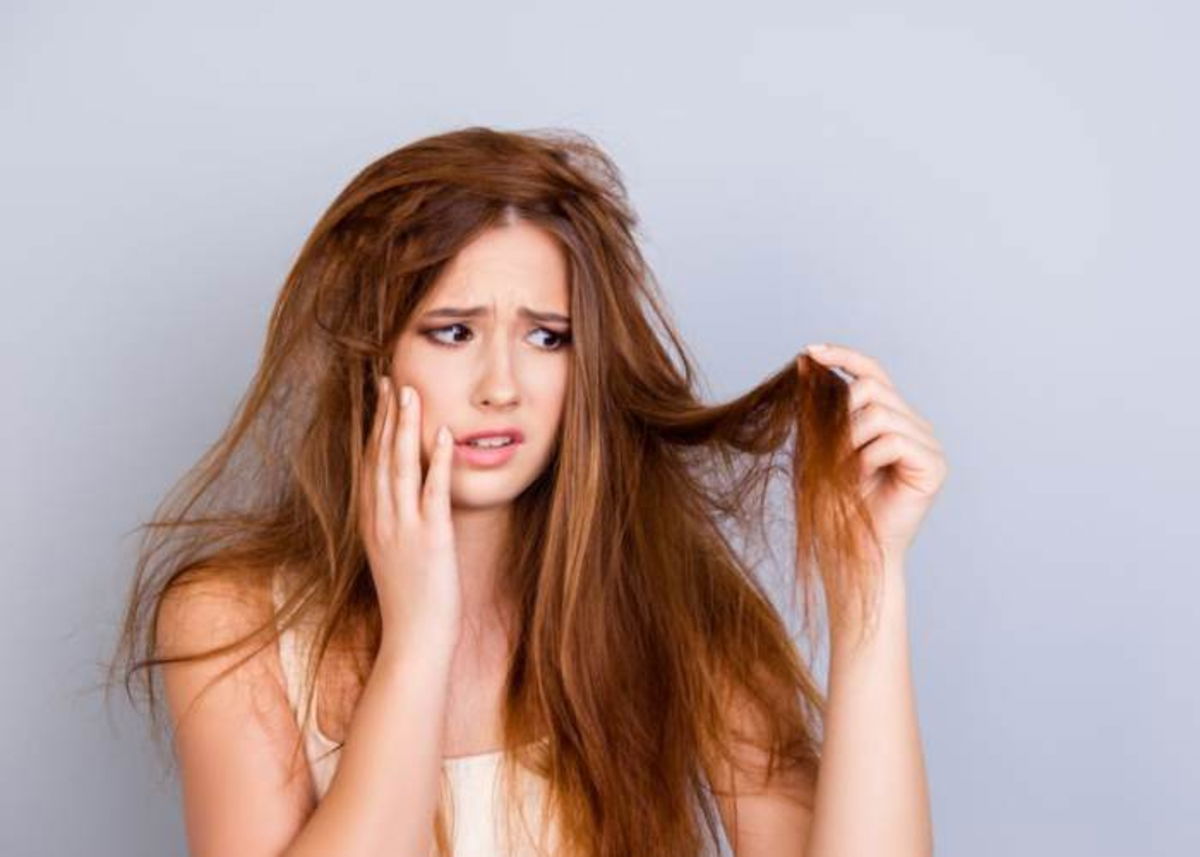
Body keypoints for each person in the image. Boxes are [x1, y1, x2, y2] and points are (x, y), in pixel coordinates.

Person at [107, 125, 946, 857]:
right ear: (373, 355)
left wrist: (867, 580)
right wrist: (419, 636)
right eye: (453, 331)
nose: (501, 386)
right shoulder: (231, 622)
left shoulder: (674, 606)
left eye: (547, 337)